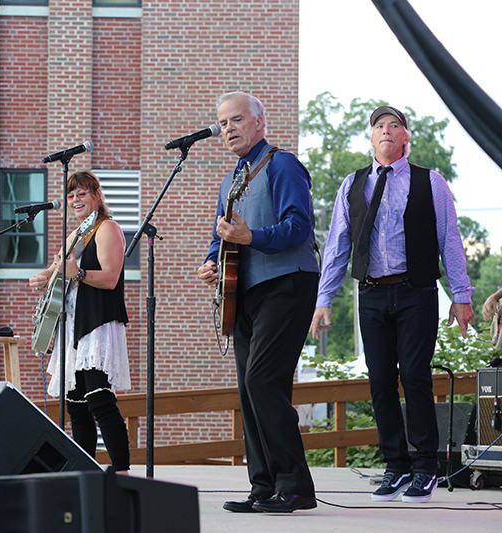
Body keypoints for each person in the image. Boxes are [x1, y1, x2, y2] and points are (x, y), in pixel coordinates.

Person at [309, 106, 475, 504]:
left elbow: (449, 240)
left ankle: (424, 469)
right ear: (371, 139)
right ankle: (395, 467)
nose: (386, 130)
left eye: (394, 125)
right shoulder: (353, 184)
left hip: (416, 292)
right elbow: (337, 246)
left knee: (415, 378)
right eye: (379, 126)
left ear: (405, 138)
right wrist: (323, 299)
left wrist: (462, 296)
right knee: (380, 382)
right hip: (371, 293)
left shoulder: (430, 182)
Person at [197, 91, 320, 513]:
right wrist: (212, 262)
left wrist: (252, 237)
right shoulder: (231, 179)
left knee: (262, 381)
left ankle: (296, 487)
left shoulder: (282, 165)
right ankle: (264, 486)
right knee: (250, 390)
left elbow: (299, 227)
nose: (228, 129)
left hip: (288, 284)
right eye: (223, 123)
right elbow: (221, 236)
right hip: (242, 291)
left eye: (236, 120)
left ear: (259, 123)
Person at [28, 170, 131, 473]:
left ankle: (121, 469)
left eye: (81, 193)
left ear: (97, 195)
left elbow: (111, 277)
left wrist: (80, 274)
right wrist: (44, 276)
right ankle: (84, 470)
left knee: (99, 398)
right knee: (76, 403)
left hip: (96, 322)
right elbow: (59, 266)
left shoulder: (107, 228)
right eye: (71, 194)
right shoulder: (78, 233)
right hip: (73, 325)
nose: (74, 199)